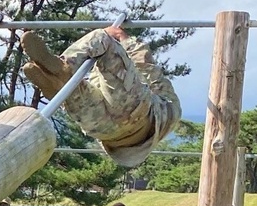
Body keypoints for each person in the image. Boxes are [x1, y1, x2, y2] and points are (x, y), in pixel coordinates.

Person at [21, 26, 181, 167]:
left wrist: (122, 37)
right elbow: (148, 69)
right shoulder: (166, 111)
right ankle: (61, 84)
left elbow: (147, 66)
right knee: (73, 91)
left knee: (103, 38)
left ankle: (64, 67)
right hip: (102, 129)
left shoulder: (170, 104)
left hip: (132, 113)